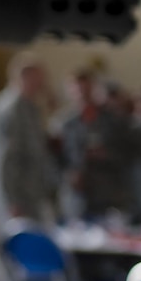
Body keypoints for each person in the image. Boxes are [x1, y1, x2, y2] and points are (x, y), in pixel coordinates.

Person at [57, 66, 133, 222]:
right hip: (77, 197)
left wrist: (108, 154)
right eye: (78, 89)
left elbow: (128, 153)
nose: (82, 94)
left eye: (86, 88)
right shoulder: (64, 123)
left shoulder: (112, 120)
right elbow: (55, 157)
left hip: (108, 193)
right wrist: (67, 175)